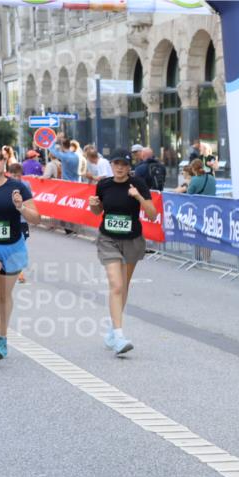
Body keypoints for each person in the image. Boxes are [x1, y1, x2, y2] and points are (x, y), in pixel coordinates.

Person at [87, 148, 157, 355]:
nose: (119, 167)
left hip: (132, 240)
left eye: (124, 164)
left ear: (129, 167)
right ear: (111, 165)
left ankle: (112, 330)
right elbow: (98, 211)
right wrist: (94, 205)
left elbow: (152, 214)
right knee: (116, 285)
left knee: (123, 286)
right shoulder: (104, 184)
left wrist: (139, 198)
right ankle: (118, 334)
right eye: (116, 163)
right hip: (108, 239)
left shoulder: (138, 184)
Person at [0, 146, 41, 363]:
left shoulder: (18, 187)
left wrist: (21, 207)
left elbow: (36, 219)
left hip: (12, 248)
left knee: (4, 296)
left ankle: (3, 335)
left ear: (4, 161)